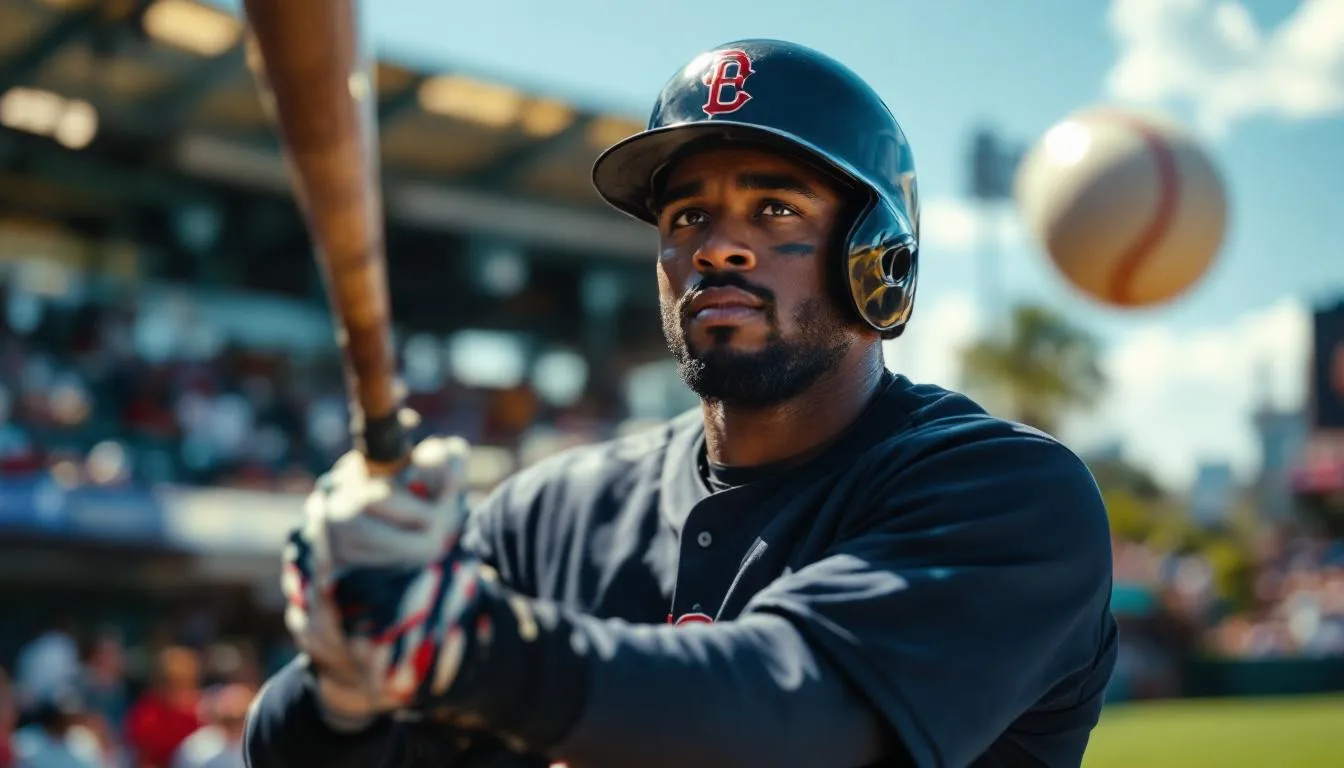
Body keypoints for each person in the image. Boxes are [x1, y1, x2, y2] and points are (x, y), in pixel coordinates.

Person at [244, 39, 1118, 768]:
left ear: (878, 258)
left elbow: (796, 706)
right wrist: (343, 679)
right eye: (687, 218)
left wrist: (470, 649)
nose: (719, 248)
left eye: (774, 209)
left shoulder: (1008, 494)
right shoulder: (549, 517)